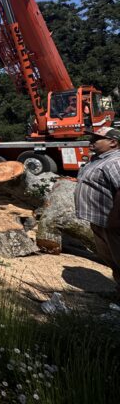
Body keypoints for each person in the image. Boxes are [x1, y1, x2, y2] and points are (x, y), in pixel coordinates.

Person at [74, 125, 120, 295]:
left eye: (95, 139)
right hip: (100, 221)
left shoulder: (115, 161)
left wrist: (115, 221)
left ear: (113, 142)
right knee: (111, 259)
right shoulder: (99, 159)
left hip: (112, 223)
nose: (90, 142)